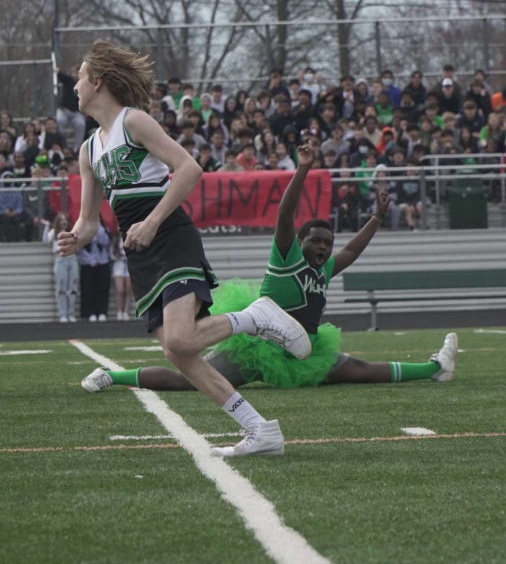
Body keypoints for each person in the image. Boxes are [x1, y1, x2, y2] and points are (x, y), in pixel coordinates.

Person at [59, 39, 311, 458]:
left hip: (169, 234)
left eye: (81, 78)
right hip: (139, 250)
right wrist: (75, 237)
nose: (75, 87)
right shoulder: (88, 150)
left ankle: (254, 317)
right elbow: (87, 222)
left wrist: (153, 220)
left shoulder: (134, 122)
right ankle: (259, 429)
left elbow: (190, 169)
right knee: (178, 349)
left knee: (181, 337)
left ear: (98, 81)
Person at [94, 143, 457, 395]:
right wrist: (302, 169)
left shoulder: (324, 268)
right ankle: (114, 375)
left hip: (305, 350)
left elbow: (350, 250)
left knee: (360, 370)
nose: (322, 247)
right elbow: (285, 214)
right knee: (188, 379)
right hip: (261, 349)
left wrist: (377, 217)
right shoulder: (287, 258)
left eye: (326, 243)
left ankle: (435, 368)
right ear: (299, 242)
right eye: (315, 241)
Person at [42, 212, 79, 322]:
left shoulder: (72, 232)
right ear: (58, 222)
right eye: (61, 220)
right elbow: (45, 240)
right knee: (61, 287)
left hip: (72, 259)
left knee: (73, 287)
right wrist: (47, 226)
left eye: (65, 220)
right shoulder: (54, 232)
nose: (64, 222)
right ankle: (63, 314)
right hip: (60, 259)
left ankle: (71, 313)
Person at [78, 220, 112, 321]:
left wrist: (99, 231)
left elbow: (106, 242)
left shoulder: (104, 229)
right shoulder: (82, 229)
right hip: (88, 264)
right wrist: (91, 260)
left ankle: (102, 312)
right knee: (89, 288)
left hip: (103, 262)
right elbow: (80, 248)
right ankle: (90, 312)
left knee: (103, 288)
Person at [110, 229, 132, 320]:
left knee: (128, 289)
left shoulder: (130, 236)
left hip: (128, 265)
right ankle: (119, 311)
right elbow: (111, 254)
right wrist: (117, 255)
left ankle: (126, 311)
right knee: (120, 289)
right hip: (118, 265)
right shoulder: (115, 238)